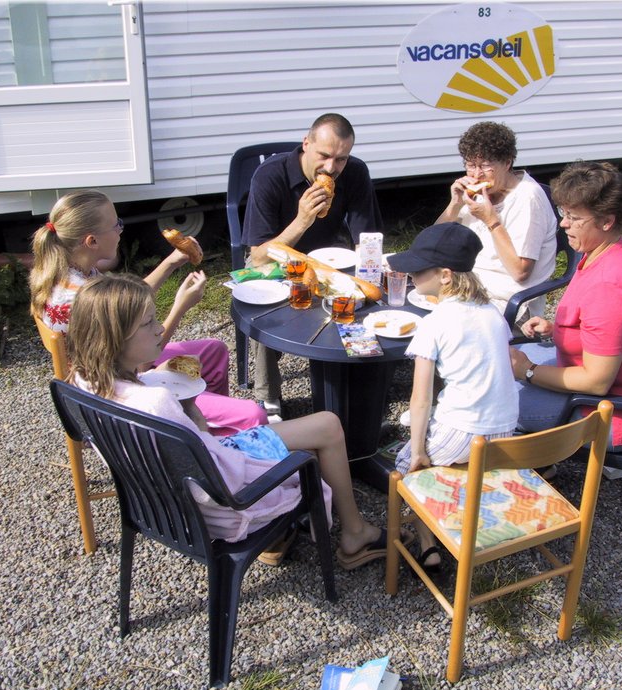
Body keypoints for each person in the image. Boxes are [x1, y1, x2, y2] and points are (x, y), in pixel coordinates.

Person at [66, 273, 405, 569]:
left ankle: (303, 531)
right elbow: (225, 477)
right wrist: (193, 411)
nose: (160, 328)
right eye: (149, 323)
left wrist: (160, 385)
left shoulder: (83, 382)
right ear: (115, 338)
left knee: (320, 431)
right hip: (227, 509)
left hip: (163, 502)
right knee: (325, 430)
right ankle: (353, 534)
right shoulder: (156, 403)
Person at [29, 189, 267, 435]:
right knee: (253, 416)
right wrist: (181, 306)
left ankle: (202, 429)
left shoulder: (69, 272)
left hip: (108, 373)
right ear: (92, 241)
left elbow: (126, 301)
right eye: (116, 225)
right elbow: (143, 361)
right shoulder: (80, 300)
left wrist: (171, 262)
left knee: (213, 351)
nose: (120, 230)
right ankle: (198, 440)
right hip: (115, 396)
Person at [508, 161, 622, 473]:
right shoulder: (610, 250)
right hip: (605, 389)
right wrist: (558, 329)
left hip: (617, 415)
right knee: (496, 370)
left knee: (492, 400)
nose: (563, 224)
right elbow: (605, 330)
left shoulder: (610, 284)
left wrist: (527, 371)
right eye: (563, 213)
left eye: (574, 217)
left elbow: (596, 382)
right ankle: (536, 461)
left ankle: (531, 472)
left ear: (607, 221)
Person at [385, 222, 519, 569]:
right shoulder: (492, 313)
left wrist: (418, 451)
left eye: (417, 270)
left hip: (464, 432)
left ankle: (428, 543)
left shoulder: (435, 322)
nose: (411, 275)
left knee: (406, 465)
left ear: (445, 276)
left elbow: (420, 399)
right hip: (504, 432)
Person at [242, 113, 384, 419]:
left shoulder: (355, 171)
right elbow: (259, 256)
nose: (331, 168)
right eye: (324, 156)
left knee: (358, 298)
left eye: (341, 159)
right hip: (279, 257)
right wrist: (302, 220)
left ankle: (355, 377)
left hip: (331, 256)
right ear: (306, 144)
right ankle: (268, 396)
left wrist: (368, 273)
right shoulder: (270, 176)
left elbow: (366, 239)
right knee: (265, 304)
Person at [435, 121, 558, 325]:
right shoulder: (481, 193)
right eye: (471, 165)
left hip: (503, 301)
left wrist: (491, 221)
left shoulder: (527, 198)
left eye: (485, 166)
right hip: (464, 286)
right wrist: (454, 205)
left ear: (507, 162)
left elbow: (520, 272)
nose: (477, 174)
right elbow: (434, 245)